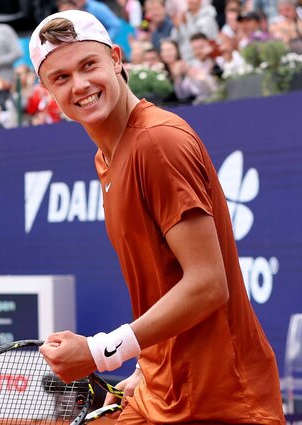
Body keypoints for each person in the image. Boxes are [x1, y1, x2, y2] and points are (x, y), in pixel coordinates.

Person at [29, 10, 284, 425]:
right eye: (60, 78)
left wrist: (100, 352)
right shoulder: (108, 157)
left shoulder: (157, 142)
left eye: (88, 65)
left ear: (116, 59)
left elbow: (207, 285)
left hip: (222, 402)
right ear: (47, 91)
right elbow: (165, 281)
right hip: (165, 390)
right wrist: (150, 364)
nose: (80, 85)